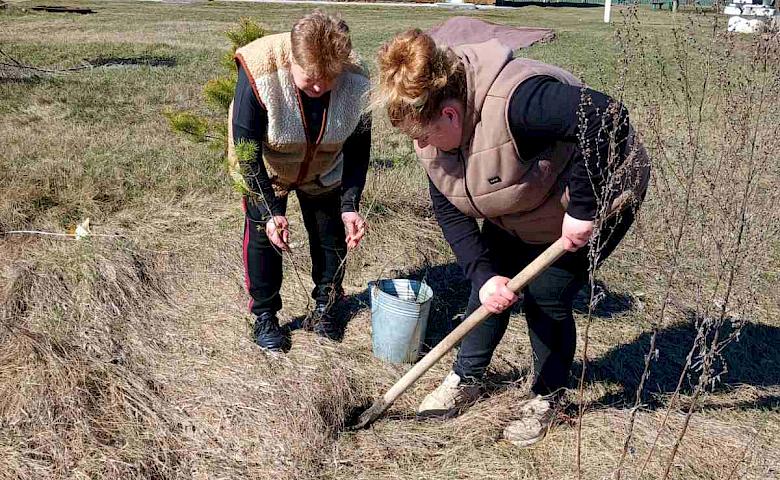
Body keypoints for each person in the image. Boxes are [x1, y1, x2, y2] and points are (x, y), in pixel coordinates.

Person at [374, 29, 650, 447]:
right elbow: (450, 207)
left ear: (451, 115)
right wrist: (484, 275)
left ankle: (547, 396)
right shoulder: (435, 137)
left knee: (547, 294)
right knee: (489, 285)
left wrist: (583, 210)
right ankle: (466, 376)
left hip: (603, 188)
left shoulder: (518, 102)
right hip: (523, 194)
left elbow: (604, 115)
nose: (421, 146)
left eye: (424, 135)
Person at [227, 11, 371, 351]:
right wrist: (269, 209)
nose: (320, 87)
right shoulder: (258, 70)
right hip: (267, 166)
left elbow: (359, 150)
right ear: (293, 59)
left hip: (324, 165)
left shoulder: (356, 80)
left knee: (330, 234)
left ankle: (327, 306)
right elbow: (246, 150)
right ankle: (265, 317)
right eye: (311, 78)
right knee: (266, 236)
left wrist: (350, 206)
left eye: (329, 78)